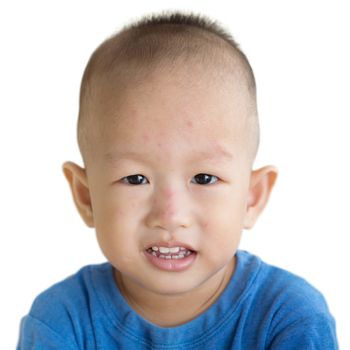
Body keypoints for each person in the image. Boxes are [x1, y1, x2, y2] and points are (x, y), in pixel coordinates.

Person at [17, 12, 338, 349]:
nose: (170, 215)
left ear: (252, 197)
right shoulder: (61, 320)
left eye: (203, 178)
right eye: (135, 178)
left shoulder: (290, 318)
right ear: (86, 197)